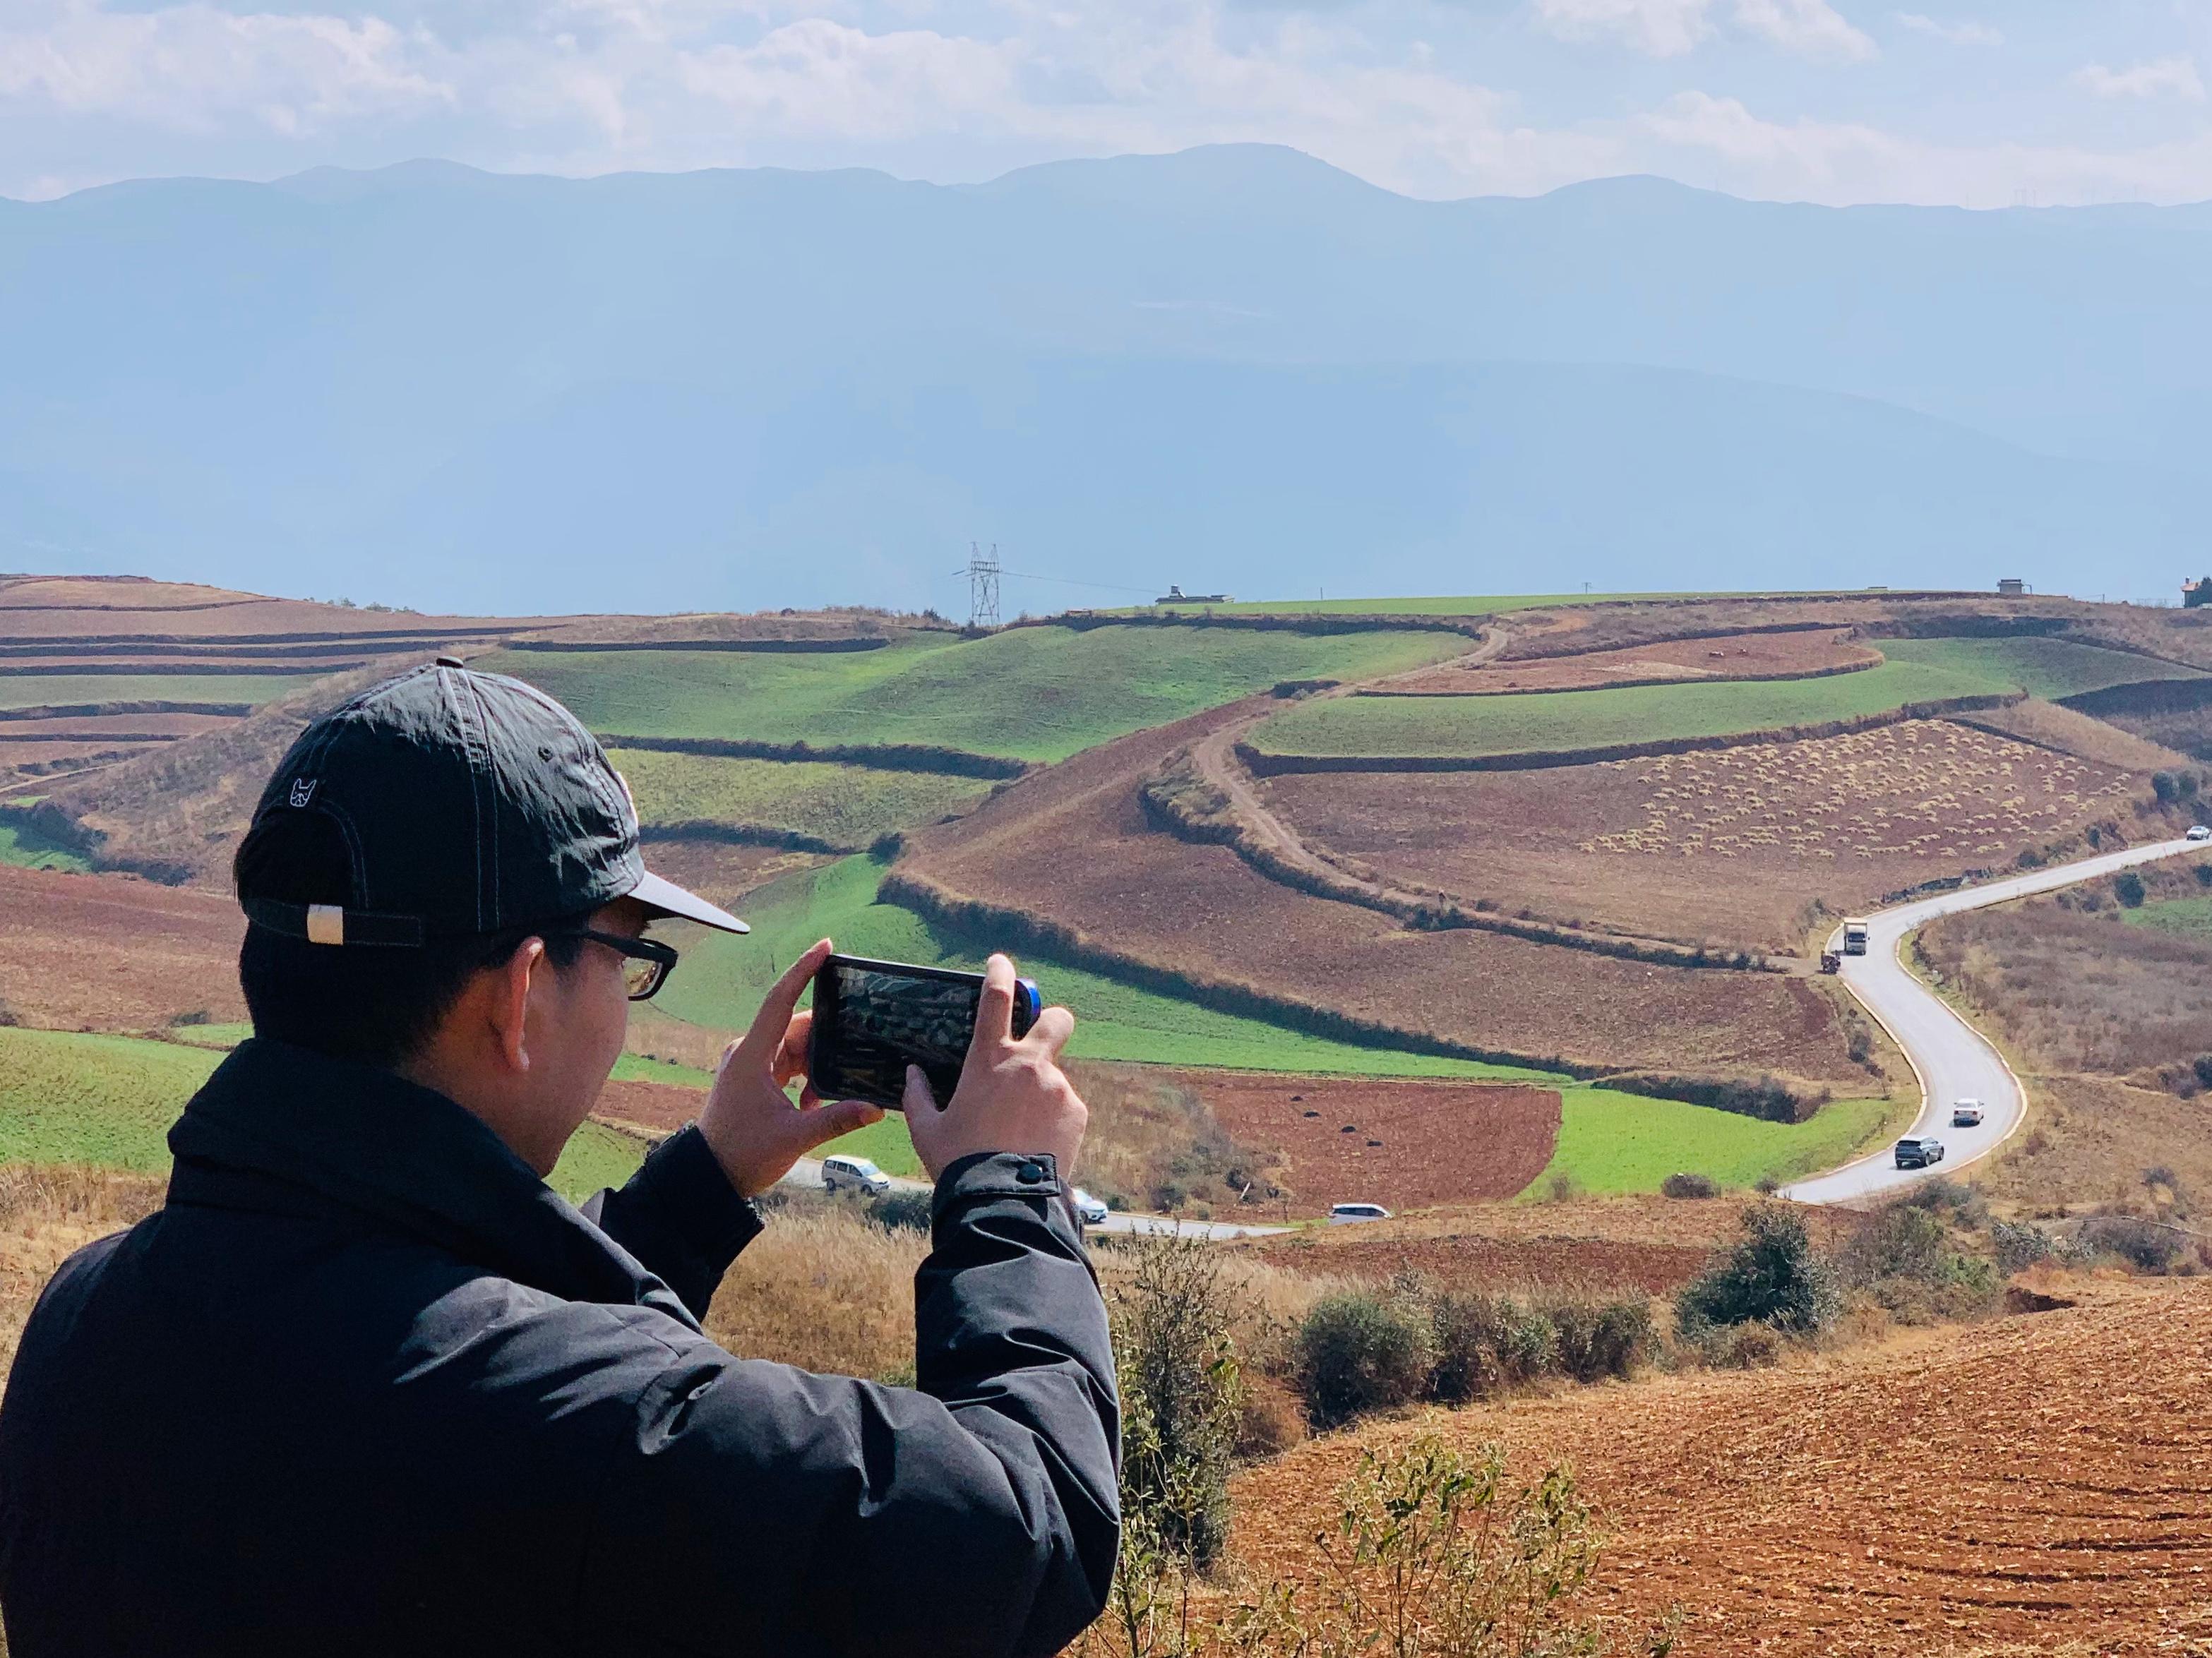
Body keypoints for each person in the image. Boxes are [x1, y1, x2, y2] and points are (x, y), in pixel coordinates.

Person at [0, 659, 1118, 1657]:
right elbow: (1030, 1532)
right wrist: (1011, 1188)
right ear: (521, 991)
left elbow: (432, 1330)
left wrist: (701, 1182)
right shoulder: (603, 1435)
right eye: (630, 956)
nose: (627, 998)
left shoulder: (83, 1317)